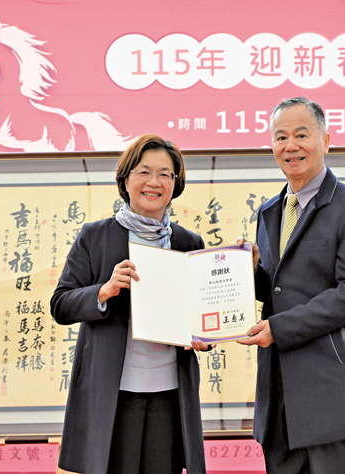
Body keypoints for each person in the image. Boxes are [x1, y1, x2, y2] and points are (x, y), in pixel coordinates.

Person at [237, 97, 345, 473]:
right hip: (279, 387)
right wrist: (248, 272)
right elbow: (278, 288)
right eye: (281, 137)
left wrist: (280, 328)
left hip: (330, 387)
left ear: (325, 141)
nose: (291, 146)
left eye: (301, 135)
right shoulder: (269, 211)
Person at [51, 134, 208, 474]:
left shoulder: (188, 242)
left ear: (175, 183)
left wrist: (204, 336)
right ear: (125, 180)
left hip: (170, 392)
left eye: (165, 174)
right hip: (113, 393)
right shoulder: (95, 236)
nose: (154, 182)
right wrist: (103, 291)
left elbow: (202, 314)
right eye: (144, 172)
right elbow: (60, 304)